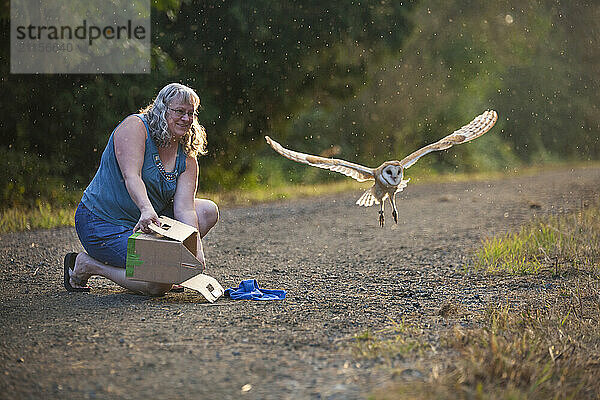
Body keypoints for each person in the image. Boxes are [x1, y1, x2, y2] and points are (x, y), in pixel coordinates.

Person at [64, 83, 218, 296]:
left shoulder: (187, 154)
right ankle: (88, 264)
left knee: (207, 211)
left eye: (191, 113)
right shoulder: (135, 127)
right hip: (104, 222)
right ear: (163, 109)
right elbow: (131, 176)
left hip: (147, 225)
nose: (186, 119)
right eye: (179, 112)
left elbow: (185, 209)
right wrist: (146, 208)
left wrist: (196, 250)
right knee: (159, 285)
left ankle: (163, 267)